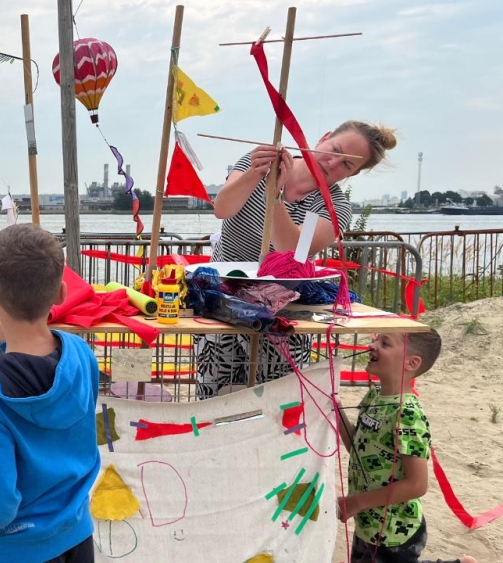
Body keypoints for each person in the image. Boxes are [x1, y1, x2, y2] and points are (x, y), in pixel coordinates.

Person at [196, 120, 398, 399]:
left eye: (346, 165)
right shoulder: (261, 163)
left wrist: (275, 195)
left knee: (274, 400)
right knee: (215, 395)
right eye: (334, 149)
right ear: (323, 137)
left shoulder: (333, 207)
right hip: (220, 299)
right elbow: (222, 208)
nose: (333, 163)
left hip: (281, 310)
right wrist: (256, 174)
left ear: (353, 174)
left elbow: (291, 249)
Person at [0, 223, 101, 563]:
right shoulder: (81, 356)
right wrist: (8, 342)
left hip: (15, 549)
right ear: (60, 293)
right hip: (76, 535)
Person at [336, 330, 476, 563]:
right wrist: (336, 406)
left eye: (385, 343)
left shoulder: (407, 414)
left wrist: (357, 502)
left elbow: (417, 484)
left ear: (412, 363)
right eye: (375, 339)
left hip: (395, 531)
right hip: (368, 523)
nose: (372, 345)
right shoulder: (374, 396)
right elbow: (358, 449)